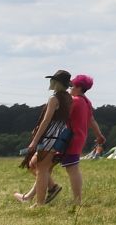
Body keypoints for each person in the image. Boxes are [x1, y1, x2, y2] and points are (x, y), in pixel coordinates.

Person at [15, 70, 74, 205]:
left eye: (52, 80)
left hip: (49, 137)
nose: (50, 82)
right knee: (39, 167)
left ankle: (40, 203)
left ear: (57, 83)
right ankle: (49, 189)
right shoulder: (68, 98)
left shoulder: (54, 99)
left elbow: (46, 120)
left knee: (41, 170)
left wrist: (35, 140)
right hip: (59, 137)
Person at [56, 73, 105, 206]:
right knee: (65, 167)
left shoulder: (75, 101)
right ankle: (34, 194)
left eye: (72, 85)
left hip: (70, 139)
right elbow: (91, 120)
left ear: (78, 87)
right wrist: (99, 135)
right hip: (80, 137)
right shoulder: (87, 101)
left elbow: (61, 116)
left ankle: (77, 200)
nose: (70, 88)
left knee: (71, 169)